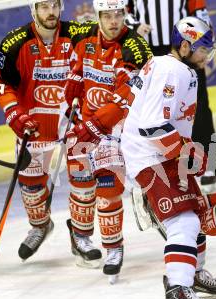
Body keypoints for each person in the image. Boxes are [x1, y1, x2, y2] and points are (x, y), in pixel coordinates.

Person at [120, 16, 216, 299]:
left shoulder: (176, 67)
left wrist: (185, 150)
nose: (207, 54)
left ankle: (192, 275)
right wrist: (186, 151)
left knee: (199, 211)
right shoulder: (173, 70)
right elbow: (153, 126)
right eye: (203, 48)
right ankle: (177, 289)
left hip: (163, 153)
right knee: (184, 220)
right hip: (150, 156)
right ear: (184, 45)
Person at [63, 0, 152, 281]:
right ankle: (81, 236)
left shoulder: (136, 47)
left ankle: (114, 248)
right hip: (84, 124)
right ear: (98, 16)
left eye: (118, 15)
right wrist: (70, 99)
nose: (114, 21)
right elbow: (78, 72)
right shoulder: (86, 36)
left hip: (115, 129)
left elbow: (125, 96)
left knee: (108, 189)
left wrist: (95, 126)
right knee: (81, 185)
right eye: (107, 15)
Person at [0, 0, 78, 261]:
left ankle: (81, 231)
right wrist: (14, 113)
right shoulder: (14, 42)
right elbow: (0, 83)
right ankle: (40, 225)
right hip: (34, 127)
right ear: (33, 10)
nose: (50, 12)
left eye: (54, 5)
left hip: (72, 124)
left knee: (85, 181)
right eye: (43, 7)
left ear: (61, 7)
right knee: (30, 185)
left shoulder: (77, 35)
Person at [126, 0, 216, 186]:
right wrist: (134, 26)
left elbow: (198, 8)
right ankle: (157, 160)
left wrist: (204, 36)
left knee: (197, 107)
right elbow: (123, 10)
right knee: (154, 109)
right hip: (148, 48)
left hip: (187, 46)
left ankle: (208, 162)